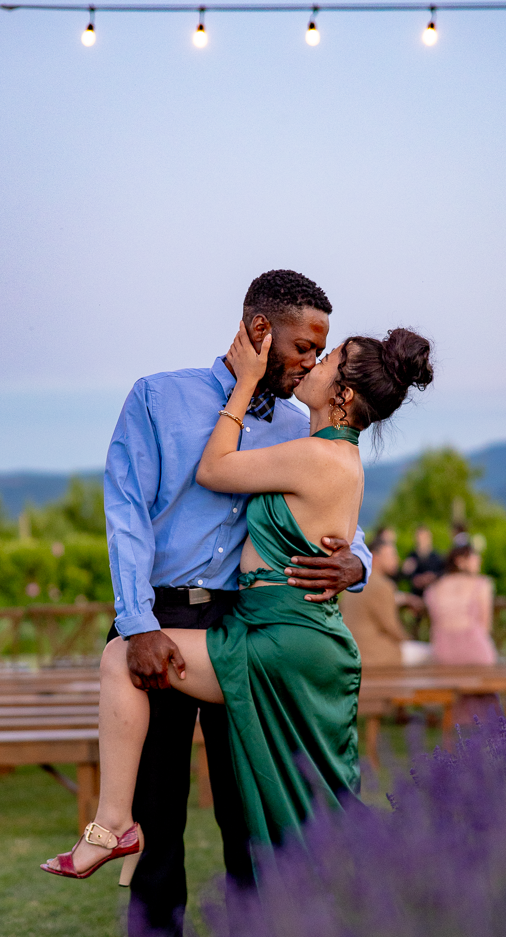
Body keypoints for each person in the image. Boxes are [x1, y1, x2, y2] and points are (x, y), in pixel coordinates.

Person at [41, 321, 433, 891]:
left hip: (268, 629)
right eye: (307, 348)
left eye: (324, 355)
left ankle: (114, 829)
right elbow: (125, 513)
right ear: (261, 331)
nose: (312, 361)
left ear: (344, 394)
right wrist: (139, 618)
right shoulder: (160, 397)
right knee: (205, 807)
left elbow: (244, 483)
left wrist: (358, 565)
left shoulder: (305, 437)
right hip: (193, 617)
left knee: (252, 814)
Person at [340, 536, 430, 667]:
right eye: (391, 555)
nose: (396, 559)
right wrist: (409, 638)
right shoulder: (382, 585)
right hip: (375, 653)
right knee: (431, 653)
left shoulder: (354, 583)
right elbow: (392, 628)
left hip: (351, 651)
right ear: (375, 557)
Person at [425, 544, 497, 666]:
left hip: (443, 652)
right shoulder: (481, 584)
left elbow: (434, 624)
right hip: (476, 651)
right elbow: (485, 625)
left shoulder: (434, 588)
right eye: (474, 558)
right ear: (460, 561)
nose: (479, 561)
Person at [402, 525, 445, 597]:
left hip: (434, 594)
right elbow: (405, 575)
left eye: (424, 538)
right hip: (416, 595)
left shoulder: (437, 556)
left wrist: (432, 577)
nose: (422, 540)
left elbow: (442, 573)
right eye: (419, 538)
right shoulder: (411, 556)